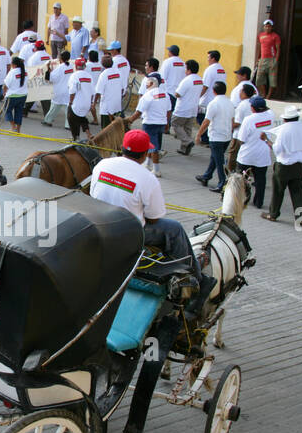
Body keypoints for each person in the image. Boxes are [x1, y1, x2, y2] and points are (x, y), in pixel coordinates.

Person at [89, 130, 211, 316]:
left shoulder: (102, 164)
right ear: (145, 154)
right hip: (129, 233)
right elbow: (154, 217)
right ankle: (194, 278)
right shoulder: (147, 178)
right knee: (174, 229)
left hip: (99, 224)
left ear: (122, 148)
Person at [265, 106, 302, 223]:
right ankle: (301, 219)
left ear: (285, 119)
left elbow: (277, 149)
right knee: (298, 192)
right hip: (299, 165)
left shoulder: (283, 131)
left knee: (278, 190)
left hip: (284, 165)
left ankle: (273, 214)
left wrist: (267, 141)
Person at [234, 95, 275, 210]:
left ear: (252, 108)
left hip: (247, 154)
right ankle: (259, 202)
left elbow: (241, 139)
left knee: (241, 178)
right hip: (263, 153)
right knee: (261, 179)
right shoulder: (271, 116)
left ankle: (241, 200)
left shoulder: (249, 119)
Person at [195, 81, 234, 191]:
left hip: (216, 137)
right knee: (215, 157)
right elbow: (232, 120)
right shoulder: (230, 103)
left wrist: (199, 134)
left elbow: (206, 122)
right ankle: (206, 176)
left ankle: (222, 183)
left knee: (219, 160)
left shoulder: (213, 104)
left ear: (213, 91)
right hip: (226, 136)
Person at [172, 60, 206, 155]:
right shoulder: (199, 80)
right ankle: (185, 149)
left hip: (183, 108)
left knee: (175, 124)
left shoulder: (186, 80)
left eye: (185, 68)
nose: (184, 70)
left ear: (189, 70)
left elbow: (177, 94)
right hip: (193, 108)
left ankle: (187, 141)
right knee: (187, 128)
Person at [254, 19, 280, 97]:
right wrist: (257, 59)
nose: (267, 28)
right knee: (259, 79)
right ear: (264, 27)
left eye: (269, 26)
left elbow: (278, 49)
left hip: (272, 59)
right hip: (262, 59)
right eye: (266, 26)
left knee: (272, 79)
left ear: (272, 27)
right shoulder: (260, 35)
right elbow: (259, 48)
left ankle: (268, 95)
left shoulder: (275, 36)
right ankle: (263, 93)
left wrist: (276, 60)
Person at [1, 56, 28, 132]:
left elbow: (6, 84)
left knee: (7, 110)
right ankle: (18, 129)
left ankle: (13, 126)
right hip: (23, 95)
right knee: (19, 111)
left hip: (12, 96)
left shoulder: (12, 72)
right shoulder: (25, 71)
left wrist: (4, 92)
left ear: (15, 65)